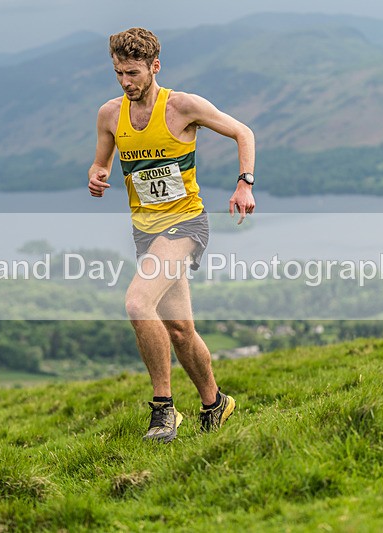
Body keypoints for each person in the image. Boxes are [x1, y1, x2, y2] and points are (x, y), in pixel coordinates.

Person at [88, 27, 256, 443]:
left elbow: (243, 132)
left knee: (137, 302)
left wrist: (244, 183)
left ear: (154, 67)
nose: (125, 82)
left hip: (185, 224)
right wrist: (98, 174)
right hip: (145, 232)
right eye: (118, 74)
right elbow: (102, 161)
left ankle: (164, 411)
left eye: (132, 72)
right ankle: (215, 403)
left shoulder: (182, 106)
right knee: (179, 329)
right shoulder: (110, 114)